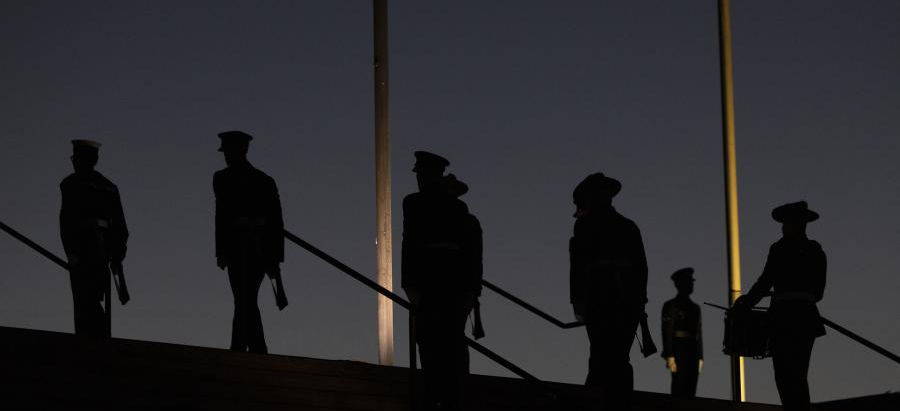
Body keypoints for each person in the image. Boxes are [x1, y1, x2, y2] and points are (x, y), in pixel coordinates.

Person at [401, 152, 480, 411]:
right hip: (436, 281)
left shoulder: (453, 210)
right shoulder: (416, 204)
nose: (420, 179)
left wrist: (471, 289)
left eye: (423, 174)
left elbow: (469, 253)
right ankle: (442, 392)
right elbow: (409, 245)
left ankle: (448, 394)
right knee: (433, 338)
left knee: (447, 339)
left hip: (445, 282)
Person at [733, 201, 826, 411]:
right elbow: (818, 292)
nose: (784, 227)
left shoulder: (780, 249)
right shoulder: (815, 251)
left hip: (784, 319)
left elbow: (766, 281)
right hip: (805, 318)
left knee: (786, 374)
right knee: (798, 373)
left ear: (797, 224)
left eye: (787, 223)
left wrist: (747, 302)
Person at [569, 172, 648, 411]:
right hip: (618, 300)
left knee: (607, 356)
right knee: (613, 357)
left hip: (605, 299)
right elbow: (641, 268)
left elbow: (578, 267)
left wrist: (578, 302)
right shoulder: (627, 226)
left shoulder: (586, 224)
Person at [213, 130, 284, 354]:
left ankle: (242, 348)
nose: (226, 156)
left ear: (242, 150)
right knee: (245, 298)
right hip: (237, 247)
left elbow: (276, 221)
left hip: (257, 248)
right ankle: (255, 349)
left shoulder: (264, 181)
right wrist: (221, 250)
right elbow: (221, 216)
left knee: (245, 297)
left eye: (230, 151)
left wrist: (275, 257)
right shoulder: (222, 178)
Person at [59, 139, 128, 337]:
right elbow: (121, 228)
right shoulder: (109, 187)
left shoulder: (71, 184)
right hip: (101, 250)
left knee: (84, 299)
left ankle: (92, 338)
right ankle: (96, 336)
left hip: (86, 249)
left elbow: (67, 222)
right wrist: (117, 254)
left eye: (76, 158)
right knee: (92, 296)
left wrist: (71, 252)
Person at [661, 267, 703, 398]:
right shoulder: (671, 305)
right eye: (688, 282)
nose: (691, 285)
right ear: (680, 284)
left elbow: (698, 334)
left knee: (691, 389)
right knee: (679, 387)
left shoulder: (695, 308)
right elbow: (667, 331)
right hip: (678, 350)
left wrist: (700, 356)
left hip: (692, 351)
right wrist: (670, 355)